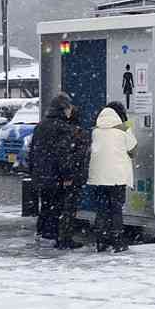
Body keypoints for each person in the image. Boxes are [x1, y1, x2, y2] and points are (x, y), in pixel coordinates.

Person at [88, 102, 137, 253]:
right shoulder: (123, 128)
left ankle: (101, 241)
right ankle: (117, 242)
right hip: (117, 176)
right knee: (116, 209)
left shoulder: (95, 130)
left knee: (101, 209)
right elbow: (133, 150)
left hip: (98, 177)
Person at [30, 93, 78, 246]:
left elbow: (33, 151)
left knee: (45, 204)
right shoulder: (63, 128)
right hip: (55, 175)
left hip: (41, 174)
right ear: (63, 108)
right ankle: (51, 237)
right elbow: (64, 155)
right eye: (69, 107)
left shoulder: (41, 125)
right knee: (56, 206)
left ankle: (41, 232)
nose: (71, 110)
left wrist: (34, 171)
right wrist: (68, 175)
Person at [55, 105, 91, 249]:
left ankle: (61, 236)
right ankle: (66, 238)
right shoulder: (78, 133)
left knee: (63, 207)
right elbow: (78, 156)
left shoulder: (64, 132)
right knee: (70, 208)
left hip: (65, 175)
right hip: (75, 176)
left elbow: (65, 156)